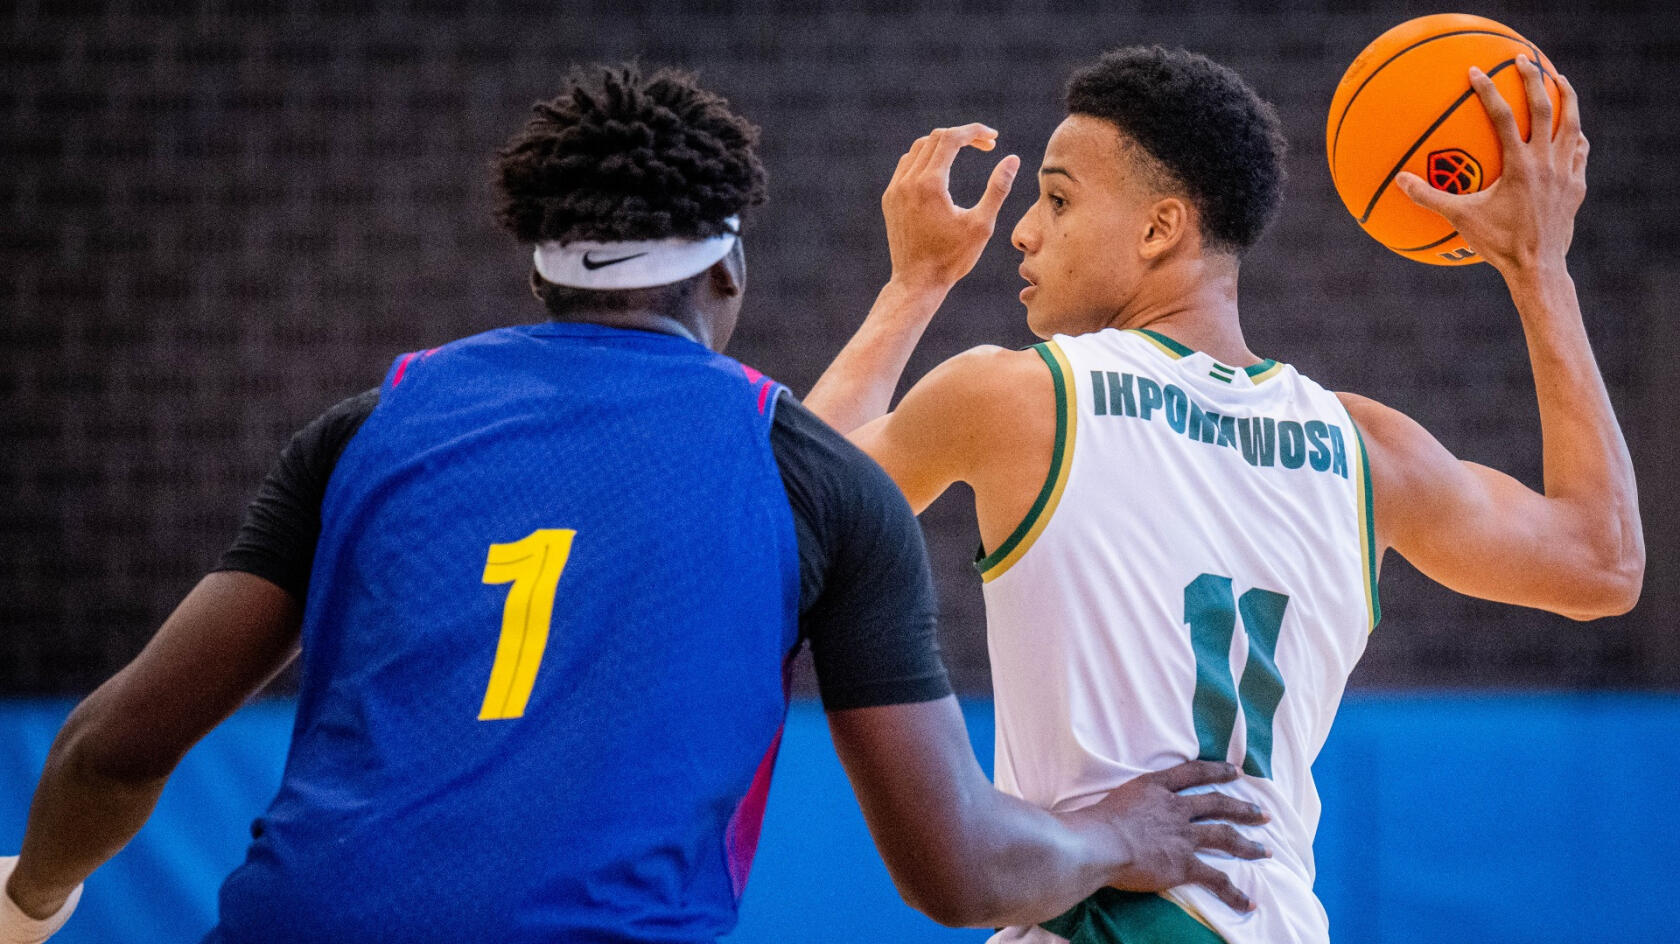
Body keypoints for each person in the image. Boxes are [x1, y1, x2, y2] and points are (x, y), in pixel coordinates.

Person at [0, 65, 1272, 944]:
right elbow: (956, 869)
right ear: (728, 262)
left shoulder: (370, 425)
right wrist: (1120, 832)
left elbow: (113, 744)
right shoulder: (805, 478)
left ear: (538, 254)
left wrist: (31, 900)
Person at [802, 46, 1641, 944]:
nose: (1024, 232)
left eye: (1058, 199)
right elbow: (1603, 562)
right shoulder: (1366, 447)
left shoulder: (1018, 396)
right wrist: (1539, 267)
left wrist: (914, 283)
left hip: (1117, 922)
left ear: (1160, 228)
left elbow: (796, 511)